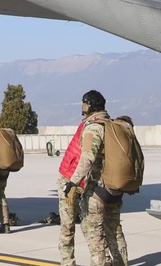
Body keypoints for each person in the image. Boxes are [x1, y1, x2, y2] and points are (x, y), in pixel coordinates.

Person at [62, 90, 127, 266]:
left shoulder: (93, 127)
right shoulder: (114, 125)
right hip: (116, 189)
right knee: (115, 232)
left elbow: (87, 158)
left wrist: (72, 182)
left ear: (89, 104)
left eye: (83, 102)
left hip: (98, 191)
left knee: (95, 235)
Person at [56, 113, 88, 266]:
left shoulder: (88, 126)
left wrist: (72, 182)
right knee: (94, 227)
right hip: (89, 183)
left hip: (70, 178)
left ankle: (67, 262)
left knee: (67, 226)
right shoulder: (106, 127)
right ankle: (104, 260)